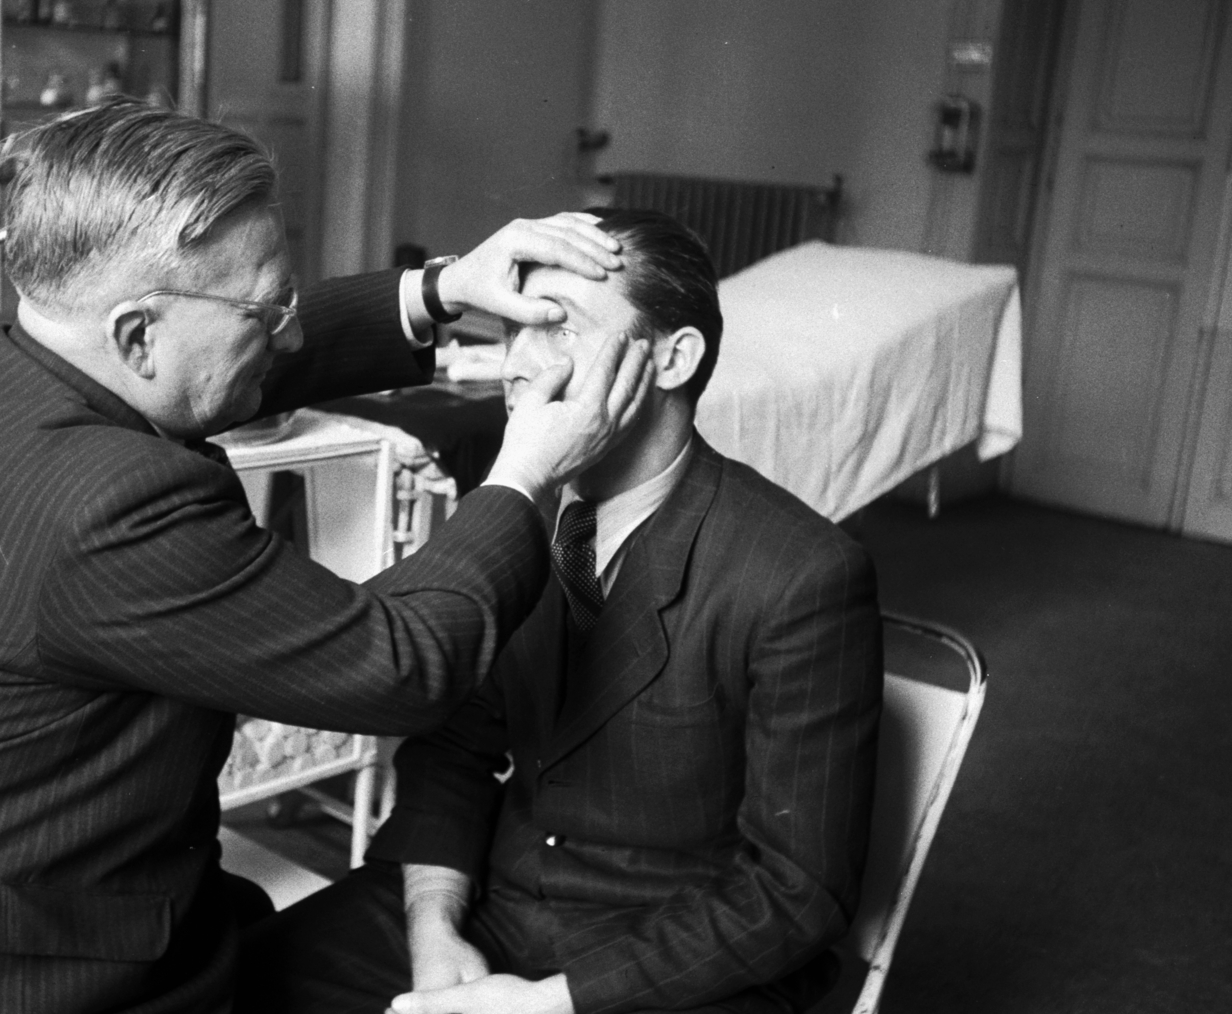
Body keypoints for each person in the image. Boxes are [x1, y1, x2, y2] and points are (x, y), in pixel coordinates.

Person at [0, 103, 656, 1013]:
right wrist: (529, 468)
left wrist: (438, 291)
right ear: (135, 331)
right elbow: (403, 662)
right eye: (266, 310)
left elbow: (222, 361)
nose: (286, 332)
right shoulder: (111, 506)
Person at [239, 208, 885, 1014]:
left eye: (558, 328)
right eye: (516, 328)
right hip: (495, 910)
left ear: (673, 359)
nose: (516, 364)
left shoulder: (801, 573)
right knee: (235, 988)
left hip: (677, 959)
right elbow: (453, 754)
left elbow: (800, 891)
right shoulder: (520, 512)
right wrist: (433, 931)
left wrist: (551, 1003)